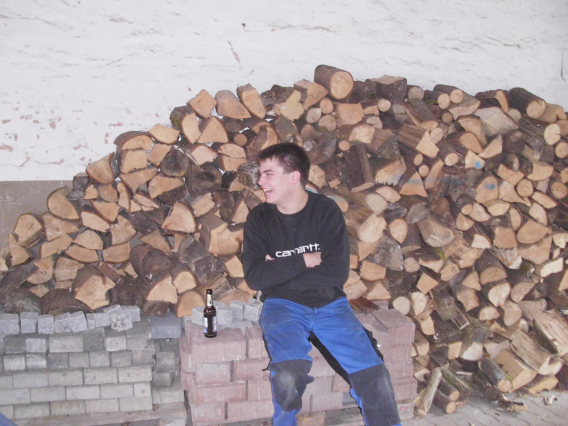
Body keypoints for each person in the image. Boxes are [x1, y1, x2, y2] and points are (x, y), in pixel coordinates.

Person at [242, 143, 401, 426]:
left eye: (268, 174)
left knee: (374, 375)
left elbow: (336, 273)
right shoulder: (259, 219)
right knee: (287, 375)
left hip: (331, 305)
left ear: (293, 177)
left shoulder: (326, 211)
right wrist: (306, 259)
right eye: (261, 174)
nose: (260, 181)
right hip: (282, 306)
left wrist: (277, 269)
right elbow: (255, 277)